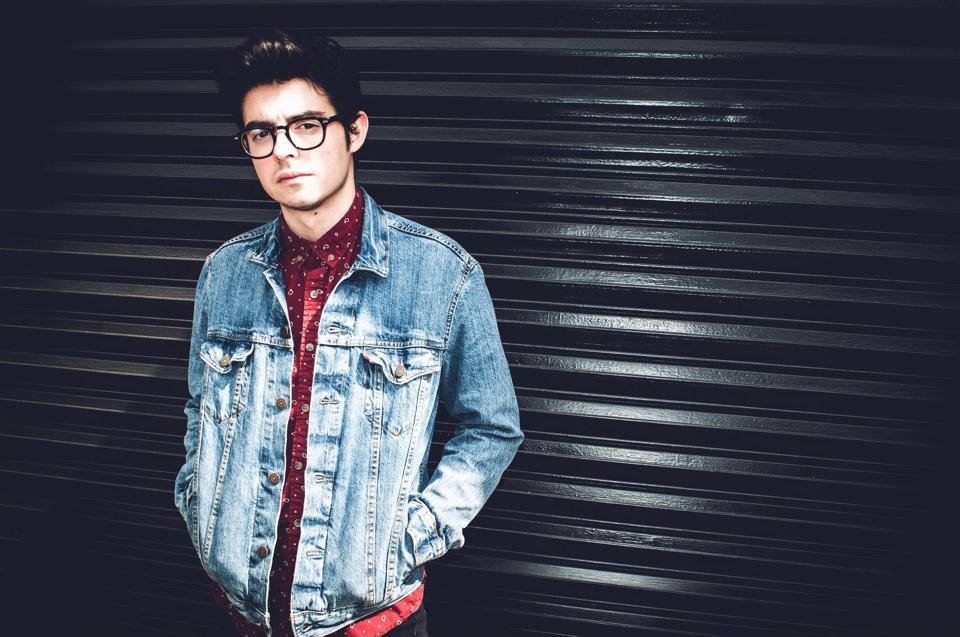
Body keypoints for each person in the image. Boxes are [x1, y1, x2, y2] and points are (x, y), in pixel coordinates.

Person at [172, 29, 524, 637]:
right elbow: (201, 409)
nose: (285, 151)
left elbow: (491, 428)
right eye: (262, 133)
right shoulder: (224, 273)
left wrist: (411, 537)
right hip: (241, 610)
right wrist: (200, 502)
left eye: (306, 126)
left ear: (354, 130)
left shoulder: (442, 275)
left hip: (372, 620)